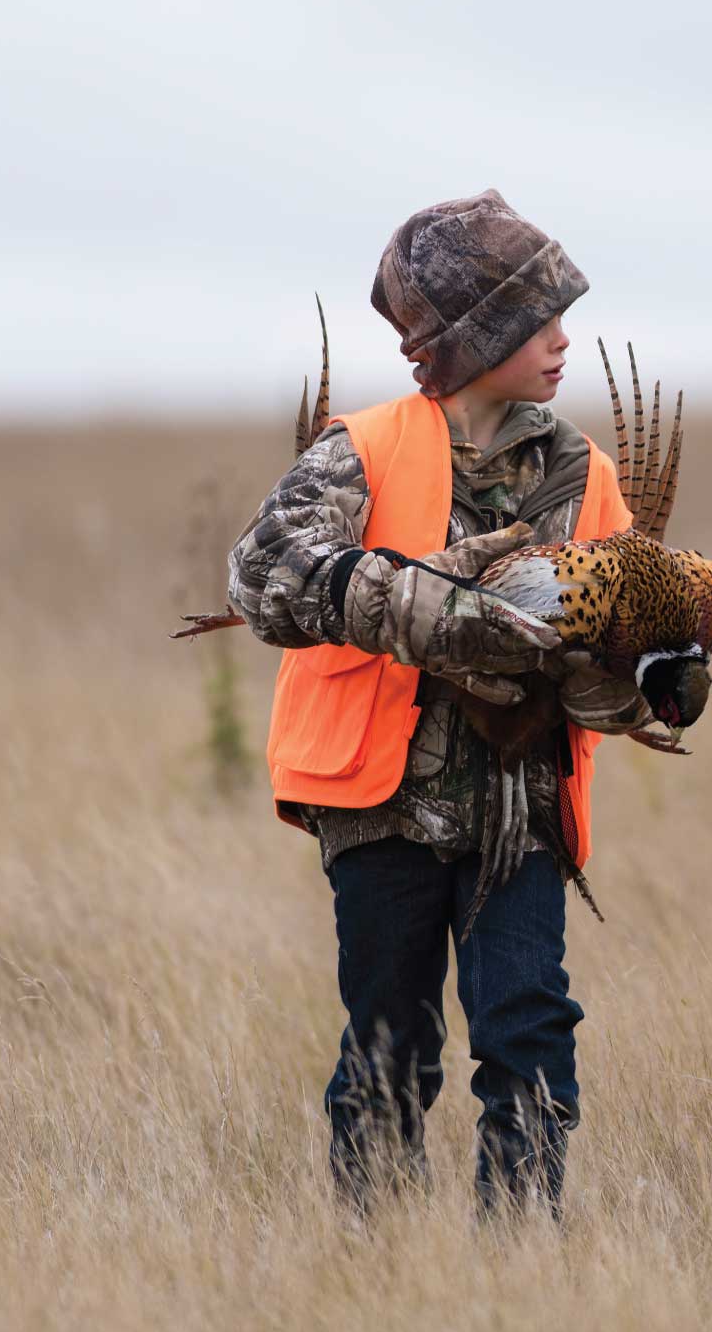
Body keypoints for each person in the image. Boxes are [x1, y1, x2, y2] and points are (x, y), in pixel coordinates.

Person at [227, 189, 647, 1215]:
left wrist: (646, 675)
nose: (561, 340)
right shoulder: (361, 448)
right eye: (537, 319)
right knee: (389, 1042)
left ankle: (520, 1273)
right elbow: (258, 576)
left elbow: (615, 642)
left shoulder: (580, 471)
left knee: (530, 1031)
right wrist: (429, 607)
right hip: (382, 809)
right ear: (477, 337)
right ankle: (377, 1269)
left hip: (519, 815)